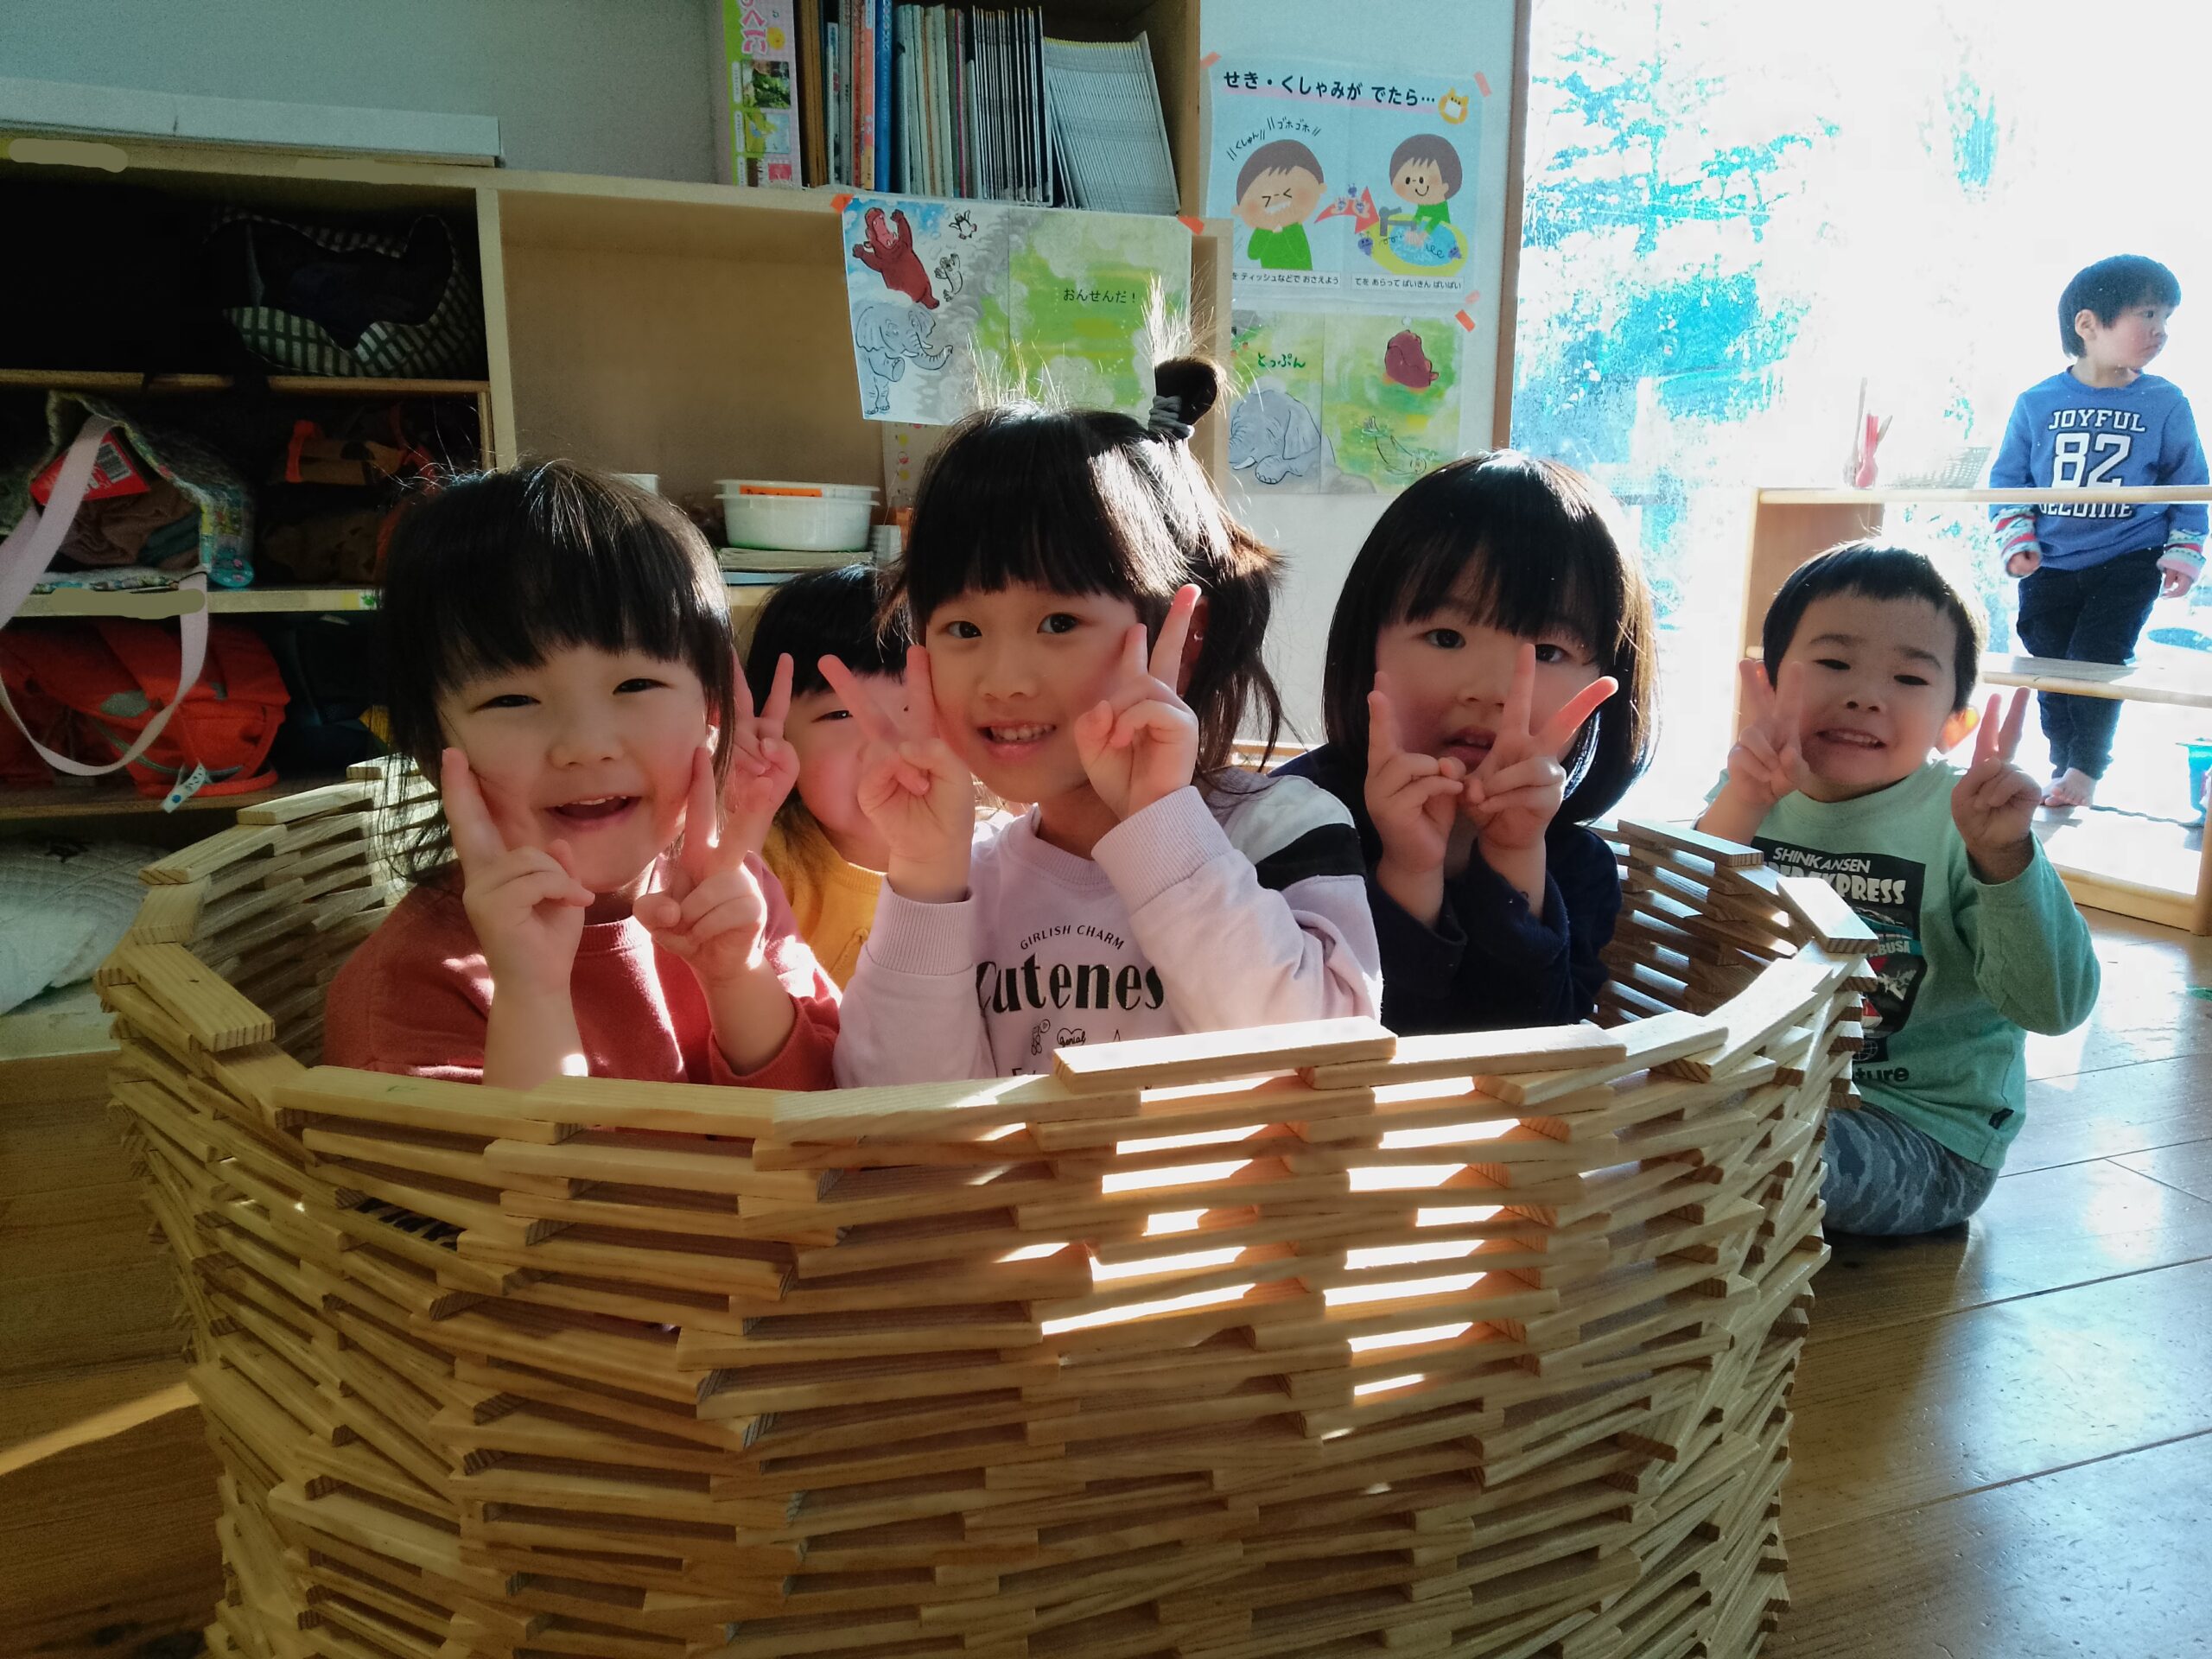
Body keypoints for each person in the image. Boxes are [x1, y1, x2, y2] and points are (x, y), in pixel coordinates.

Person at [823, 359, 1382, 1082]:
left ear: (1184, 637)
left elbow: (1323, 1065)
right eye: (964, 629)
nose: (1004, 681)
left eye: (1058, 622)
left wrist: (1161, 826)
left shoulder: (1280, 830)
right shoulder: (963, 877)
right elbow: (896, 1120)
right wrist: (926, 879)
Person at [326, 461, 839, 1091]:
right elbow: (507, 1161)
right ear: (433, 747)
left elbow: (832, 1116)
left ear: (711, 711)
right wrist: (531, 996)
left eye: (636, 684)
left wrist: (737, 978)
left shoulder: (731, 890)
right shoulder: (409, 992)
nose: (586, 747)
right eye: (512, 700)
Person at [1699, 543, 2099, 1236]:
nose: (1864, 695)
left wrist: (2003, 858)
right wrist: (1741, 805)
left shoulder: (1969, 826)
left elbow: (2054, 1006)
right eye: (1834, 663)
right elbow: (1680, 949)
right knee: (1652, 1110)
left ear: (1956, 721)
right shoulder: (1747, 791)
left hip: (1921, 1133)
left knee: (1733, 1143)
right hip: (1763, 1088)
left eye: (1910, 677)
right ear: (1767, 682)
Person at [1277, 453, 1656, 1033]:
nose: (1492, 691)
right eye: (1446, 637)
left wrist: (1514, 857)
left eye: (1547, 652)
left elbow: (1536, 1055)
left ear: (1610, 679)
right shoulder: (1294, 820)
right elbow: (1325, 1042)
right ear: (1367, 645)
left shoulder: (1580, 869)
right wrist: (1409, 872)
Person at [1989, 253, 2207, 809]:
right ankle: (2063, 762)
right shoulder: (2036, 402)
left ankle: (2085, 769)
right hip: (2051, 562)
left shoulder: (2165, 401)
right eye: (2148, 315)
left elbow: (2189, 482)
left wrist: (2184, 552)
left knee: (2097, 657)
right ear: (2088, 325)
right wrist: (2017, 540)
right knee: (2051, 665)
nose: (2160, 331)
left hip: (2130, 556)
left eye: (2166, 318)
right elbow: (2009, 480)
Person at [743, 564, 904, 986]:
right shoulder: (767, 864)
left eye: (916, 708)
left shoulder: (998, 860)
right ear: (775, 734)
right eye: (841, 714)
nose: (884, 744)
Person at [1233, 140, 1325, 272]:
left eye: (1288, 194)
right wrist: (1266, 228)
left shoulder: (1294, 227)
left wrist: (1289, 224)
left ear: (1320, 189)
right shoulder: (1262, 229)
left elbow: (1301, 252)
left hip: (1301, 279)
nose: (1276, 199)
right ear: (1239, 209)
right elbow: (1253, 254)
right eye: (1266, 198)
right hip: (1268, 281)